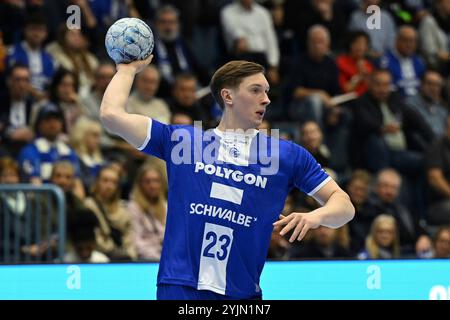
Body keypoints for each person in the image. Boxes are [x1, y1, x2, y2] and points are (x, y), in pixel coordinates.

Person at [99, 55, 354, 300]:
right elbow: (111, 116)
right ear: (227, 95)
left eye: (266, 92)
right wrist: (127, 71)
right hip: (181, 286)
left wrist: (315, 216)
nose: (265, 99)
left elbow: (344, 205)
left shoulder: (286, 155)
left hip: (242, 293)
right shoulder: (184, 142)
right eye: (255, 90)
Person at [129, 162, 167, 261]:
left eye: (156, 181)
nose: (152, 185)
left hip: (167, 257)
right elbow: (135, 242)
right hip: (146, 259)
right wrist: (158, 257)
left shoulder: (166, 205)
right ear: (140, 184)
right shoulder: (134, 208)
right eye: (147, 181)